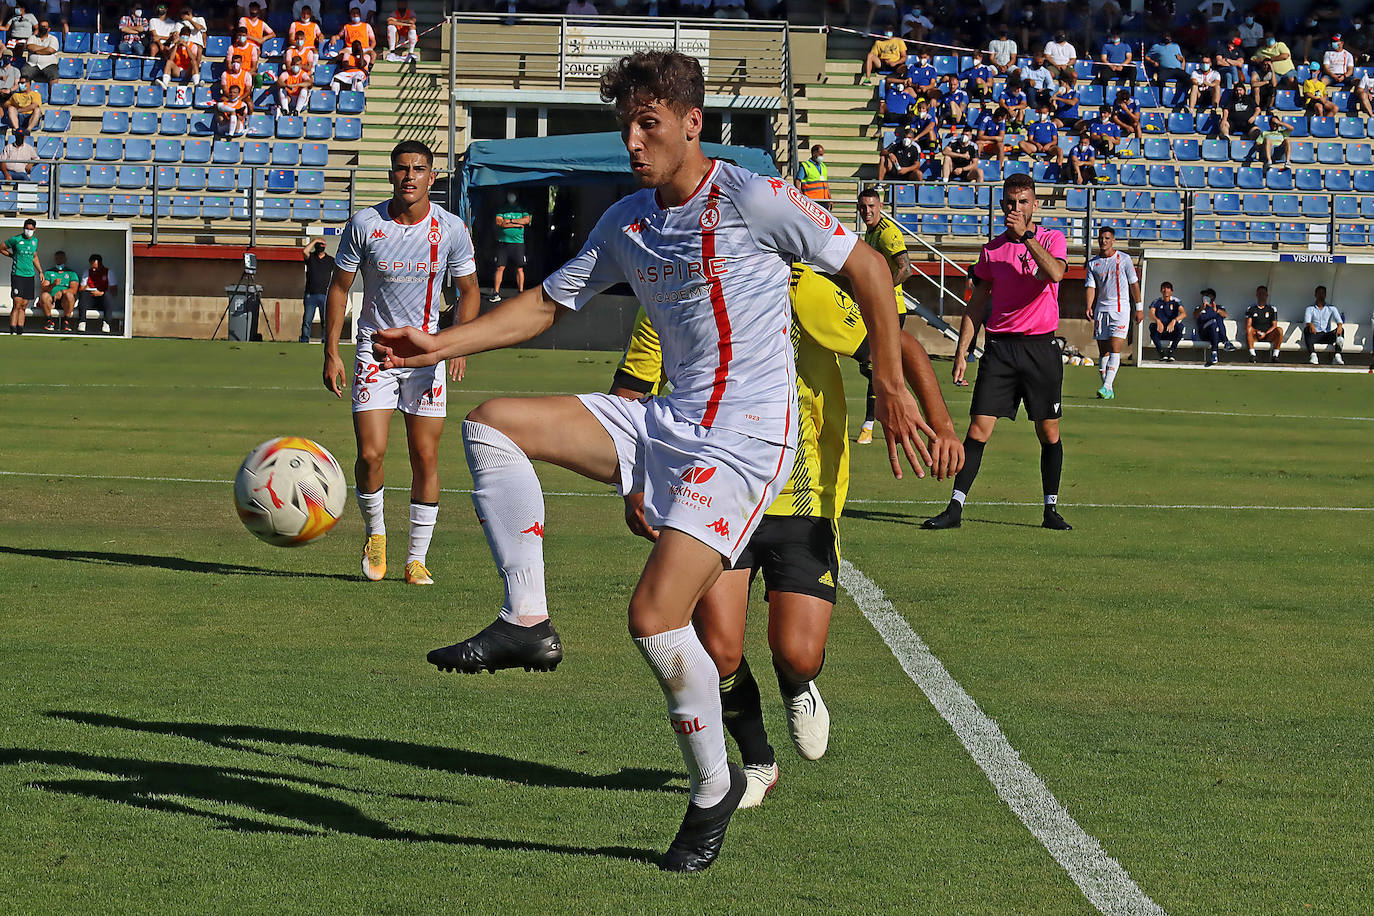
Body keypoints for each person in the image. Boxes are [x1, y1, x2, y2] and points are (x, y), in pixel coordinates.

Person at [370, 51, 922, 873]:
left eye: (648, 124)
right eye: (625, 123)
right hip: (662, 420)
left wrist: (887, 376)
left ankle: (711, 791)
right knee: (491, 426)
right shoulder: (626, 220)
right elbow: (547, 304)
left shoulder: (755, 197)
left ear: (692, 124)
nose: (632, 140)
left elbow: (870, 268)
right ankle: (528, 620)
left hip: (744, 442)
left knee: (654, 616)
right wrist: (439, 343)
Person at [610, 264, 962, 807]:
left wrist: (938, 422)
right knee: (718, 650)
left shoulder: (799, 287)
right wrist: (632, 483)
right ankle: (756, 761)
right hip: (715, 491)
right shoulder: (668, 289)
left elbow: (903, 345)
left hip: (804, 494)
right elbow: (630, 393)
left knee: (797, 653)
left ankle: (797, 683)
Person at [321, 139, 481, 589]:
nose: (409, 175)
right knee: (370, 455)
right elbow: (339, 288)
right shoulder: (365, 224)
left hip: (426, 357)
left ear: (432, 177)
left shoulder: (451, 229)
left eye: (419, 168)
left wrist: (458, 346)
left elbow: (470, 292)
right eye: (401, 168)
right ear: (391, 175)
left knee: (425, 457)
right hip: (375, 352)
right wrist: (331, 350)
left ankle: (417, 559)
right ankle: (375, 535)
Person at [923, 173, 1072, 531]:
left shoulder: (1052, 238)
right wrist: (962, 350)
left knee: (1048, 432)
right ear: (1002, 205)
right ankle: (955, 509)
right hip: (1000, 350)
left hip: (1041, 348)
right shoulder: (991, 250)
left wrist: (1027, 238)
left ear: (1034, 205)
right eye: (1010, 203)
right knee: (977, 430)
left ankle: (1050, 509)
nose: (1015, 209)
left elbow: (1054, 273)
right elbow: (977, 304)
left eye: (1023, 203)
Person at [856, 186, 913, 445]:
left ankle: (870, 425)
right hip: (877, 309)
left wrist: (882, 292)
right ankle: (897, 398)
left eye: (871, 206)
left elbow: (906, 269)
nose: (867, 211)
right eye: (863, 207)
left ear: (880, 207)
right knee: (872, 365)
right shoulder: (871, 233)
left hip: (892, 310)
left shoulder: (888, 233)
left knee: (876, 366)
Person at [1084, 226, 1140, 399]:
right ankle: (1107, 387)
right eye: (1101, 238)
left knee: (1115, 347)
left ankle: (1107, 386)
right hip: (1102, 310)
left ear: (1113, 240)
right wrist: (1088, 306)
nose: (1104, 241)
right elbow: (1090, 286)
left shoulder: (1124, 259)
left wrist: (1139, 307)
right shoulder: (1093, 263)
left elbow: (1133, 284)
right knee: (1103, 351)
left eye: (1107, 238)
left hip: (1121, 309)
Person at [2, 218, 41, 335]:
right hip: (18, 275)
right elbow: (2, 247)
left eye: (31, 229)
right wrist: (11, 256)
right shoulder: (16, 239)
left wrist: (40, 271)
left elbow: (34, 256)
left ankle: (20, 329)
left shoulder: (35, 241)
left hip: (30, 275)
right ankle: (12, 328)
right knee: (17, 302)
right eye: (27, 229)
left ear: (35, 229)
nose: (28, 231)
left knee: (24, 304)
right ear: (23, 228)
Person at [490, 192, 530, 302]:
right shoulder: (502, 209)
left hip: (518, 244)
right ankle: (496, 293)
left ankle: (520, 292)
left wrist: (510, 221)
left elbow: (526, 220)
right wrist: (517, 224)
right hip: (503, 243)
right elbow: (499, 222)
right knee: (500, 267)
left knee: (519, 268)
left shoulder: (522, 208)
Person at [298, 240, 333, 343]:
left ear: (325, 246)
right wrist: (315, 240)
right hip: (310, 295)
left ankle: (325, 340)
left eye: (322, 244)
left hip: (324, 294)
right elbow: (304, 251)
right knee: (307, 320)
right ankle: (304, 339)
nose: (320, 246)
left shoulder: (330, 260)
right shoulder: (311, 257)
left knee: (325, 321)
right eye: (318, 244)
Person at [38, 248, 79, 332]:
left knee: (70, 295)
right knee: (44, 295)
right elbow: (43, 288)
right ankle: (49, 321)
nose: (59, 260)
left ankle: (66, 321)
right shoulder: (49, 272)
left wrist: (62, 292)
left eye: (61, 258)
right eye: (57, 258)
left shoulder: (71, 273)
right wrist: (53, 285)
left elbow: (74, 290)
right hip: (52, 300)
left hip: (65, 300)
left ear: (65, 259)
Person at [1146, 32, 1190, 109]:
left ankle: (1185, 100)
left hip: (1177, 70)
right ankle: (1161, 100)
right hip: (1165, 69)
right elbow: (1147, 57)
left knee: (1189, 79)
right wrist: (1153, 62)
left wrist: (1181, 59)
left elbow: (1182, 58)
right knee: (1161, 78)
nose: (1168, 38)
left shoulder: (1176, 46)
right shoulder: (1156, 47)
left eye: (1169, 37)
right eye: (1166, 37)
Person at [1303, 286, 1344, 365]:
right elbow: (1307, 321)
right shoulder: (1310, 308)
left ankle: (1337, 356)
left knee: (1342, 330)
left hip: (1326, 335)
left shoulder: (1331, 308)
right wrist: (1310, 325)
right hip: (1315, 335)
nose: (1321, 295)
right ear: (1315, 295)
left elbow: (1339, 320)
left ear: (1325, 295)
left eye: (1323, 293)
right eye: (1319, 293)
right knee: (1307, 329)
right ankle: (1313, 355)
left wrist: (1339, 326)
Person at [1243, 284, 1282, 362]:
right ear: (1257, 295)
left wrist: (1265, 333)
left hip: (1268, 335)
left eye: (1263, 294)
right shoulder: (1251, 309)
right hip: (1255, 335)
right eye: (1260, 293)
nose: (1262, 296)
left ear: (1267, 295)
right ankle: (1252, 355)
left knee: (1279, 330)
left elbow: (1274, 325)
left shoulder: (1272, 309)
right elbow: (1248, 325)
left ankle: (1275, 356)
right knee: (1249, 329)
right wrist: (1257, 332)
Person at [1019, 105, 1064, 172]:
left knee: (1060, 151)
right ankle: (1034, 156)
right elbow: (1030, 139)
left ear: (1047, 113)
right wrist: (1037, 144)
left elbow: (1055, 140)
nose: (1042, 115)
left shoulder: (1052, 125)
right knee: (1021, 143)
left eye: (1044, 113)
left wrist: (1048, 145)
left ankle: (1058, 169)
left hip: (1049, 147)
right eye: (1041, 113)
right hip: (1036, 147)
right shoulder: (1033, 125)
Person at [1193, 288, 1230, 367]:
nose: (1204, 297)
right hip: (1205, 334)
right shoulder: (1199, 308)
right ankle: (1226, 342)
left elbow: (1225, 315)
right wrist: (1201, 308)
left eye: (1207, 295)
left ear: (1212, 297)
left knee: (1218, 319)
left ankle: (1214, 354)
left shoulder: (1218, 307)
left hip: (1217, 334)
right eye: (1203, 295)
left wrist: (1216, 310)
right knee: (1214, 322)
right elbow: (1195, 316)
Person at [1148, 281, 1184, 360]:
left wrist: (1174, 321)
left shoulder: (1176, 301)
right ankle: (1161, 353)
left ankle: (1171, 352)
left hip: (1171, 330)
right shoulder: (1156, 302)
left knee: (1180, 327)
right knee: (1152, 327)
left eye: (1168, 288)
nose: (1166, 290)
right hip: (1160, 330)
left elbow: (1183, 313)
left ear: (1171, 291)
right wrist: (1157, 320)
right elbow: (1151, 314)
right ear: (1161, 291)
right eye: (1164, 288)